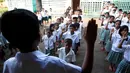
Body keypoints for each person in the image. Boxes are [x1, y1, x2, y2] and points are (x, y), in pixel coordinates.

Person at [1, 9, 97, 73]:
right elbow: (84, 71)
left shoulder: (8, 65)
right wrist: (90, 43)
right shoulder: (52, 63)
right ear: (39, 36)